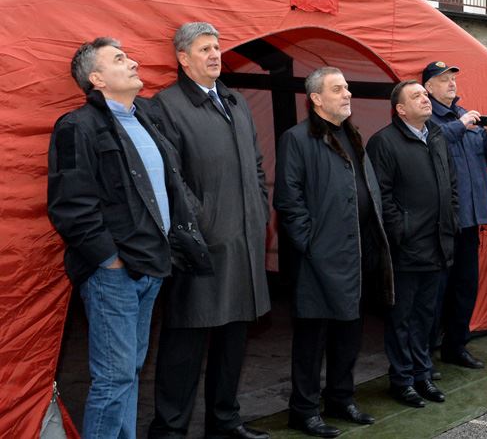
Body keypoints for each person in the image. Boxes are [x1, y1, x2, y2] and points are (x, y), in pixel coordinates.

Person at [48, 38, 196, 439]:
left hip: (153, 265)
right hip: (114, 273)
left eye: (128, 56)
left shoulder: (146, 118)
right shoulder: (76, 127)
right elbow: (70, 205)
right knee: (114, 377)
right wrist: (109, 260)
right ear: (96, 79)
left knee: (129, 371)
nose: (132, 63)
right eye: (119, 59)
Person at [150, 23, 271, 439]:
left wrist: (259, 211)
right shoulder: (165, 106)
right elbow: (171, 178)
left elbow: (256, 165)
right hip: (198, 249)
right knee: (185, 344)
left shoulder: (235, 101)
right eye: (204, 49)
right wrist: (202, 224)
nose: (215, 54)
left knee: (233, 339)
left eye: (217, 47)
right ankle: (169, 430)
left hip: (243, 243)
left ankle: (224, 422)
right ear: (183, 58)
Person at [273, 67, 393, 436]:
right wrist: (311, 244)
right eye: (338, 89)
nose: (347, 94)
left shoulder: (352, 134)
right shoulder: (297, 139)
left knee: (349, 333)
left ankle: (341, 398)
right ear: (316, 98)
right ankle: (304, 409)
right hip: (318, 260)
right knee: (312, 339)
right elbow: (288, 200)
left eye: (347, 87)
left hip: (356, 254)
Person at [366, 80, 457, 407]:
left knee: (425, 317)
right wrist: (401, 231)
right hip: (405, 248)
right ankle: (402, 380)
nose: (425, 99)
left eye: (425, 94)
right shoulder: (384, 142)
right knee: (401, 318)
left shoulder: (437, 136)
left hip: (437, 244)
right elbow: (380, 195)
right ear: (400, 109)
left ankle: (422, 373)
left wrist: (452, 219)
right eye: (416, 95)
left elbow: (452, 185)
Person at [423, 61, 487, 370]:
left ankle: (456, 346)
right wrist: (461, 125)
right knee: (436, 291)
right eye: (443, 79)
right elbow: (432, 143)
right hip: (442, 220)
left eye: (453, 78)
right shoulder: (427, 117)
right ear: (428, 87)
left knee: (465, 287)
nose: (451, 84)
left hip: (470, 219)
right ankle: (424, 354)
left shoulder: (465, 114)